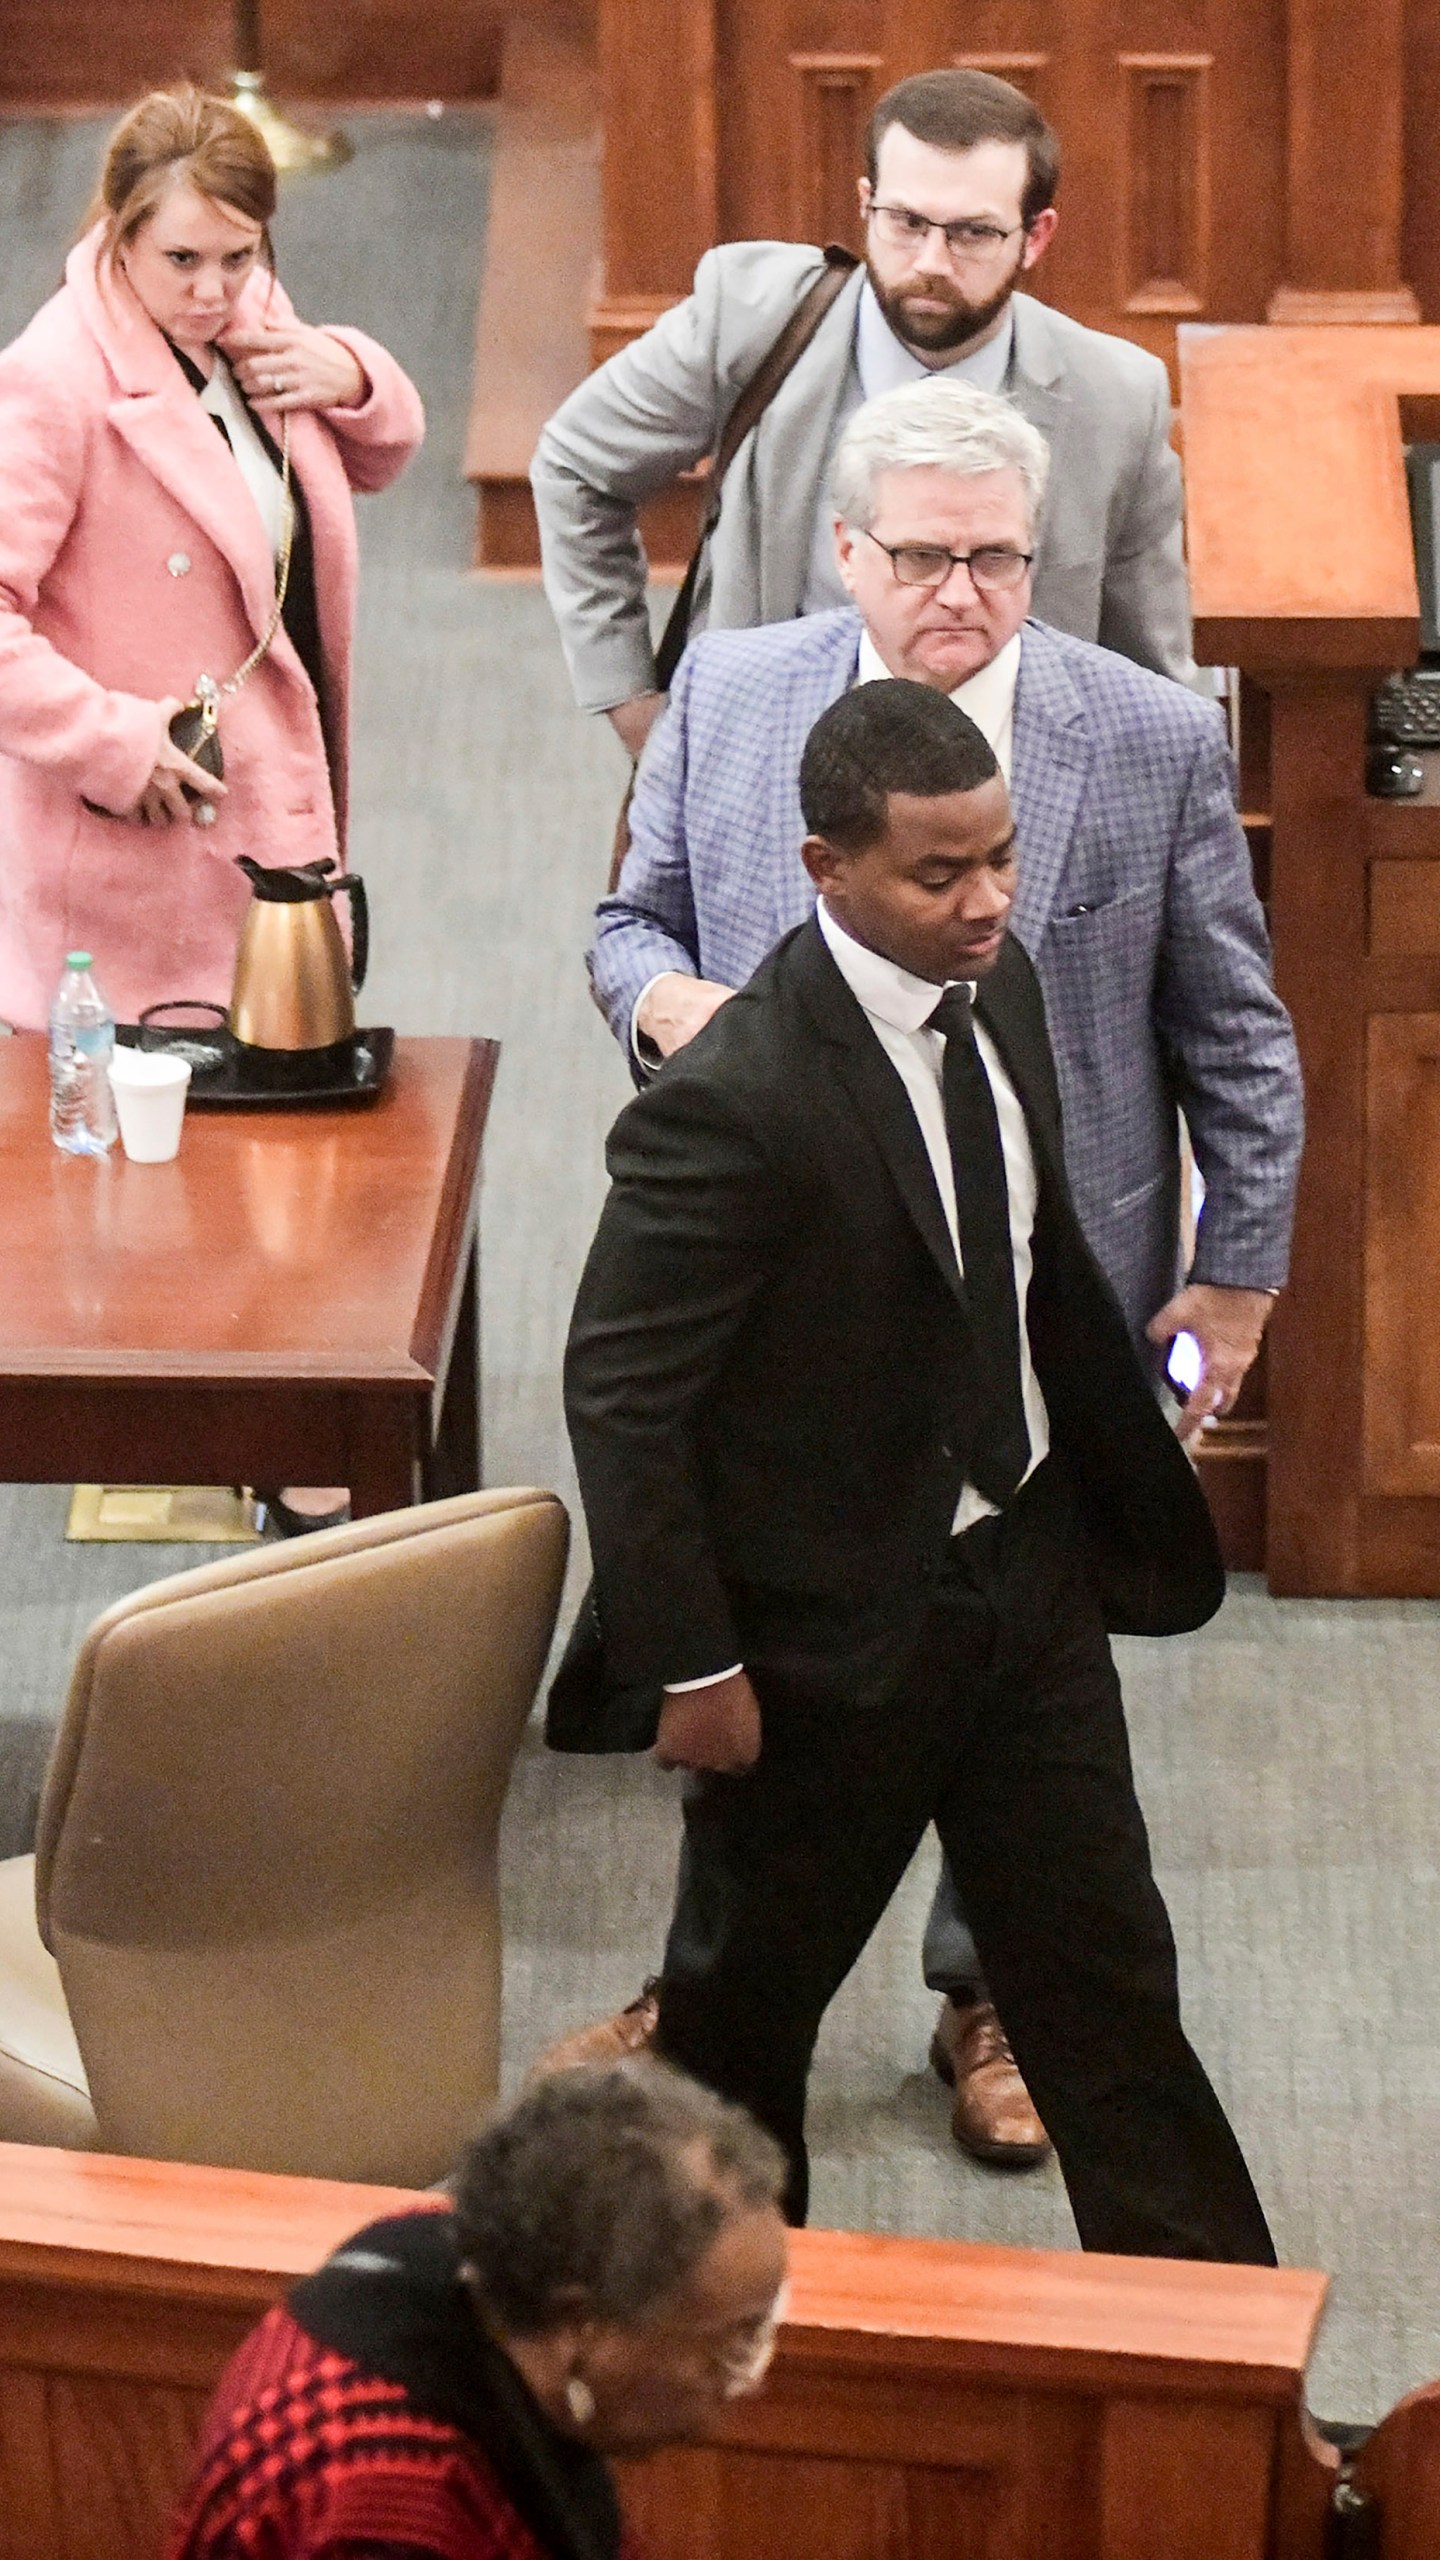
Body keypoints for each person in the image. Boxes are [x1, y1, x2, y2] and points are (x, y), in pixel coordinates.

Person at [548, 375, 1304, 2168]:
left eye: (997, 558)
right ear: (846, 552)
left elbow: (1236, 1033)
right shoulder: (729, 703)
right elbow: (626, 922)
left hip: (1026, 1397)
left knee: (1091, 1950)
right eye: (923, 554)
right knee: (764, 1929)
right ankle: (726, 2015)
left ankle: (989, 2001)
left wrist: (1239, 1276)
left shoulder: (1144, 739)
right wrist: (671, 1006)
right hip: (807, 1417)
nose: (958, 590)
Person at [531, 67, 1191, 762]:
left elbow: (1153, 679)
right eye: (906, 223)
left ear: (1035, 237)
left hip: (1005, 794)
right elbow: (577, 464)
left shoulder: (1116, 399)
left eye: (972, 233)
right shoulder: (750, 316)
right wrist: (635, 703)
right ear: (866, 204)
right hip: (770, 760)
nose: (931, 262)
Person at [0, 84, 424, 1035]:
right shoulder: (52, 380)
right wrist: (112, 742)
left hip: (268, 810)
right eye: (181, 259)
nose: (211, 290)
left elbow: (378, 458)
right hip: (138, 853)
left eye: (238, 257)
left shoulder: (247, 317)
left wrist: (350, 373)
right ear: (120, 233)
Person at [168, 2061, 789, 2560]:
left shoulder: (448, 2245)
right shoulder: (390, 2507)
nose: (749, 2379)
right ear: (582, 2323)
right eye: (730, 2346)